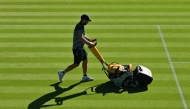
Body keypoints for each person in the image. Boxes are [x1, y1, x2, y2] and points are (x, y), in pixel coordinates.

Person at [58, 14, 95, 82]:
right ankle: (62, 73)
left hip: (81, 48)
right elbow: (81, 38)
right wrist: (89, 43)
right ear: (83, 20)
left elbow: (83, 35)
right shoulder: (79, 26)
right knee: (76, 64)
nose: (87, 22)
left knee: (85, 60)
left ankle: (85, 76)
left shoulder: (81, 26)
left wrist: (89, 40)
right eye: (87, 21)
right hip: (77, 49)